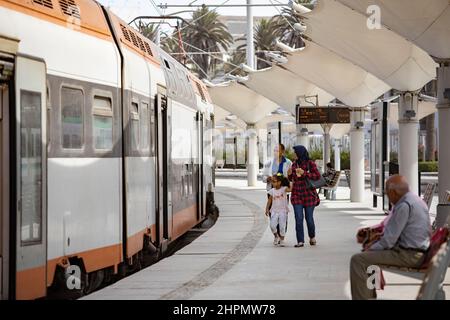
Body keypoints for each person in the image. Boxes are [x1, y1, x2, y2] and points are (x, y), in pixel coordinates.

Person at [349, 175, 431, 300]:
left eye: (387, 193)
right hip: (417, 252)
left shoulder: (404, 205)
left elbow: (388, 241)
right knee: (370, 257)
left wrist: (370, 248)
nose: (388, 196)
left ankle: (363, 297)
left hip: (409, 254)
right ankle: (370, 295)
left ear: (393, 192)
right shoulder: (414, 200)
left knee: (359, 260)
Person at [288, 145, 321, 248]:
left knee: (309, 218)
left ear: (300, 153)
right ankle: (300, 241)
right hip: (297, 194)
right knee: (298, 218)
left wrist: (305, 173)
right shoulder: (294, 164)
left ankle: (312, 236)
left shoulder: (310, 164)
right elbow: (291, 178)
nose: (294, 154)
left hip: (309, 195)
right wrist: (289, 174)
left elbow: (317, 176)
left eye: (295, 152)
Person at [265, 174, 292, 247]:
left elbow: (291, 189)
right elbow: (269, 201)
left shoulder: (284, 189)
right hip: (274, 211)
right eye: (272, 182)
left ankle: (282, 239)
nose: (273, 183)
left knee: (282, 226)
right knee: (272, 225)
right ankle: (276, 236)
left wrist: (288, 180)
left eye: (274, 181)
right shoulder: (272, 191)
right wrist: (267, 209)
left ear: (280, 182)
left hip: (283, 211)